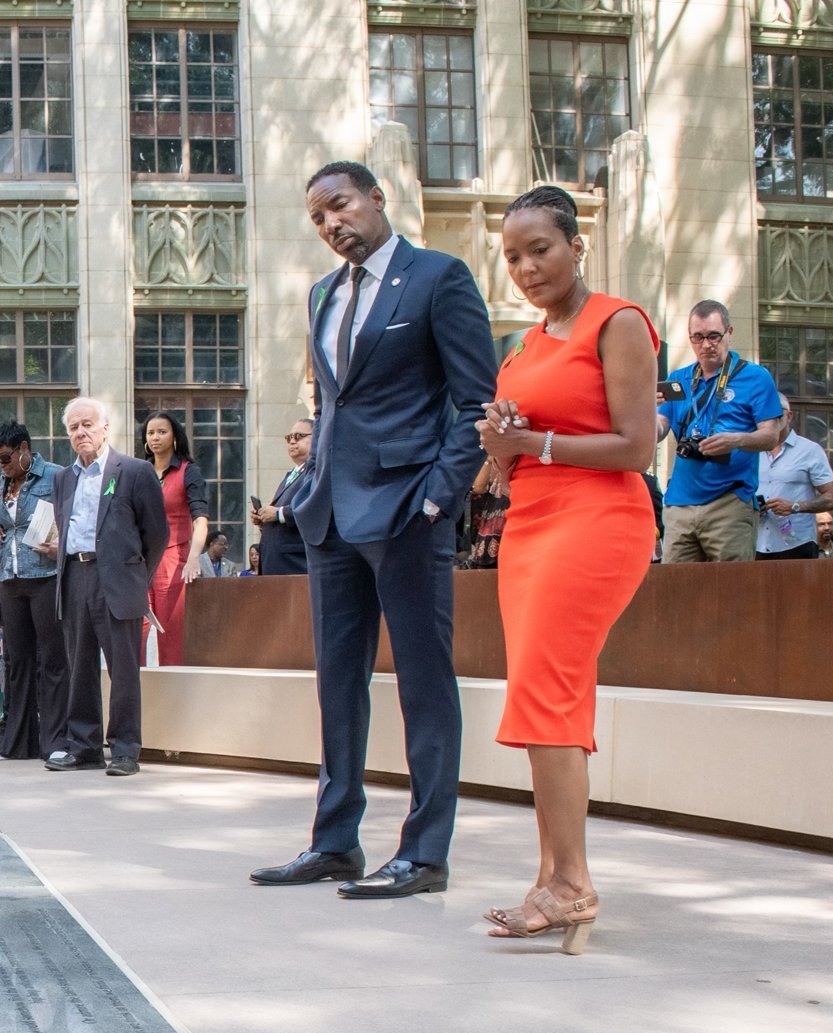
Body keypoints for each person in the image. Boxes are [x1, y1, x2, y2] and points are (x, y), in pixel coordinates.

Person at [253, 160, 496, 899]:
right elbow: (331, 405)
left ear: (375, 198)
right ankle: (335, 843)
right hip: (330, 519)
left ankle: (424, 853)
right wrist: (311, 488)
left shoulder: (437, 278)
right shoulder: (323, 294)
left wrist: (436, 499)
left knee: (422, 684)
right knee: (338, 686)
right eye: (319, 217)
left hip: (406, 515)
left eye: (340, 204)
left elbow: (477, 404)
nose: (331, 223)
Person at [473, 185, 661, 954]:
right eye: (512, 256)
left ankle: (571, 884)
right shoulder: (521, 345)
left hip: (597, 520)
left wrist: (533, 445)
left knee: (548, 693)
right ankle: (552, 875)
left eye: (539, 250)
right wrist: (501, 440)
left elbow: (636, 448)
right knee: (550, 696)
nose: (525, 267)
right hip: (531, 523)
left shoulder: (617, 323)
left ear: (576, 245)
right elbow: (506, 457)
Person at [47, 397, 168, 776]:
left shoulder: (133, 471)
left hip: (117, 579)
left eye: (87, 425)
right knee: (79, 667)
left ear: (104, 428)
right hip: (74, 575)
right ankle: (84, 747)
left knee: (123, 670)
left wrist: (137, 578)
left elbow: (157, 535)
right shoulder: (63, 478)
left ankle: (125, 749)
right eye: (73, 428)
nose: (80, 433)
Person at [658, 300, 785, 563]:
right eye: (698, 337)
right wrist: (643, 410)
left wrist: (735, 440)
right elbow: (659, 429)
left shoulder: (756, 377)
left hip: (729, 502)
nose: (706, 345)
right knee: (676, 594)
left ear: (729, 332)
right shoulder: (678, 378)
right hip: (680, 504)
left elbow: (771, 436)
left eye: (714, 336)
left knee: (730, 594)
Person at [0, 419, 65, 763]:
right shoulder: (5, 484)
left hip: (46, 577)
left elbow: (73, 520)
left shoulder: (56, 476)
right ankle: (16, 741)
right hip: (12, 580)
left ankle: (55, 740)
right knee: (18, 662)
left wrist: (61, 545)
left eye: (6, 457)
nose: (1, 465)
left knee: (52, 662)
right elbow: (4, 524)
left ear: (24, 449)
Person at [139, 411, 211, 662]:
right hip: (140, 561)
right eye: (150, 432)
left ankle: (175, 697)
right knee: (135, 632)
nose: (155, 437)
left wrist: (194, 558)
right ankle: (134, 695)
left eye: (162, 431)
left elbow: (200, 518)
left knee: (171, 635)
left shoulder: (187, 471)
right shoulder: (140, 471)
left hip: (173, 560)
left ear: (175, 436)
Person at [753, 428, 833, 561]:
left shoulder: (810, 450)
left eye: (776, 416)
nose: (768, 420)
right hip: (757, 543)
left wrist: (794, 506)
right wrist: (753, 506)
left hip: (797, 545)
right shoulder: (752, 450)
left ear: (789, 416)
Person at [250, 421, 313, 575]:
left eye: (299, 436)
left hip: (295, 563)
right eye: (289, 437)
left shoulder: (316, 470)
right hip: (276, 562)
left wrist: (279, 514)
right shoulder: (293, 473)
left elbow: (313, 507)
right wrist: (264, 519)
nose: (292, 441)